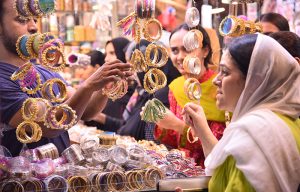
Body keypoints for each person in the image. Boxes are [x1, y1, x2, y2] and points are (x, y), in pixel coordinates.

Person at [0, 0, 133, 156]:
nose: (33, 27)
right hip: (24, 178)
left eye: (35, 19)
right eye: (22, 20)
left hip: (58, 177)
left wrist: (105, 84)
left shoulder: (45, 72)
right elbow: (50, 126)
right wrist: (88, 86)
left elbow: (87, 111)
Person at [176, 34, 300, 192]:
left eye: (225, 72)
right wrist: (201, 128)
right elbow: (226, 167)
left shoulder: (251, 136)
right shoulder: (288, 122)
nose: (216, 80)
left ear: (254, 80)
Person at [153, 23, 226, 167]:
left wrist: (177, 125)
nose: (180, 57)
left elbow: (222, 147)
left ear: (205, 51)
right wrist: (161, 121)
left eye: (187, 49)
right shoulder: (176, 86)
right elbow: (175, 142)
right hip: (183, 173)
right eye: (174, 50)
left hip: (214, 171)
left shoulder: (221, 86)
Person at [86, 37, 135, 132]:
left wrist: (96, 115)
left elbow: (127, 127)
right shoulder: (109, 85)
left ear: (123, 54)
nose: (106, 59)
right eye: (106, 54)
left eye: (112, 53)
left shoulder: (134, 90)